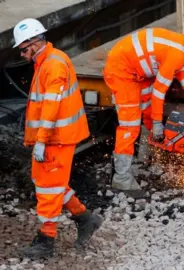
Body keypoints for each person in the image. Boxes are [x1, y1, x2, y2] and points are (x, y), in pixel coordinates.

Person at [12, 18, 103, 258]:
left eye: (23, 49)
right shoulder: (47, 61)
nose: (22, 55)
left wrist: (41, 141)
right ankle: (85, 218)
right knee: (50, 183)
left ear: (34, 42)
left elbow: (51, 107)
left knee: (48, 188)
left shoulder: (52, 65)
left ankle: (46, 240)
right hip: (55, 137)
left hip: (56, 139)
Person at [103, 27, 184, 194]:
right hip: (122, 71)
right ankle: (121, 179)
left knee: (148, 113)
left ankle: (145, 157)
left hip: (137, 72)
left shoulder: (182, 48)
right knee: (130, 125)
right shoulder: (177, 54)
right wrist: (158, 123)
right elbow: (159, 91)